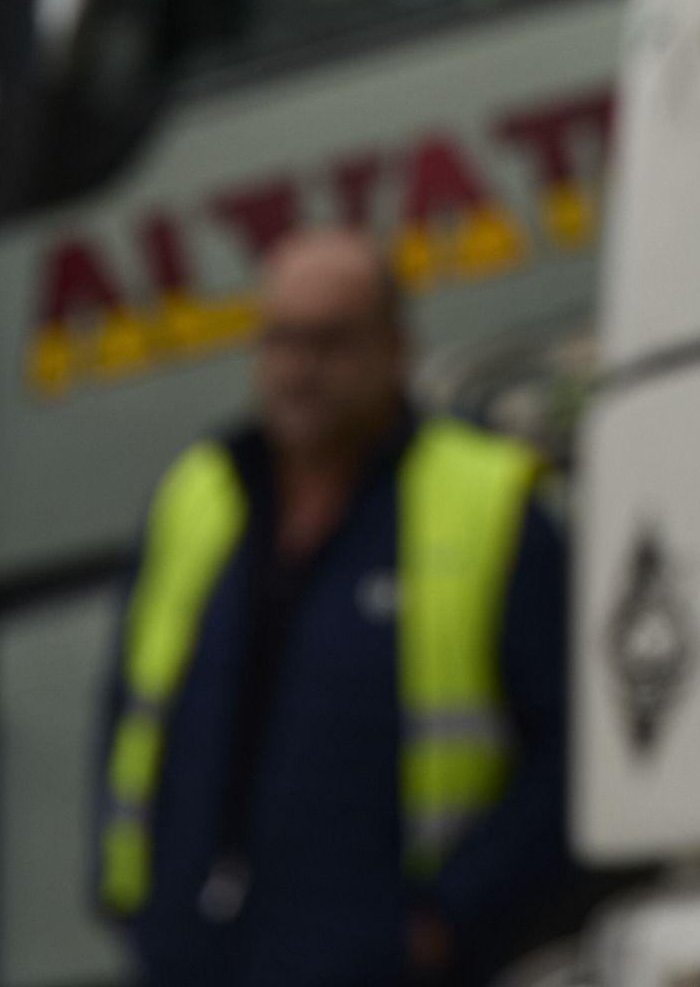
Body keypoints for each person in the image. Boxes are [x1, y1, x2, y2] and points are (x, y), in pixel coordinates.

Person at [94, 228, 571, 985]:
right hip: (201, 959)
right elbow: (128, 718)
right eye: (281, 339)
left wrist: (447, 923)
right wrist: (134, 908)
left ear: (395, 349)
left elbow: (566, 754)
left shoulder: (490, 499)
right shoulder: (200, 492)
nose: (300, 369)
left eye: (331, 341)